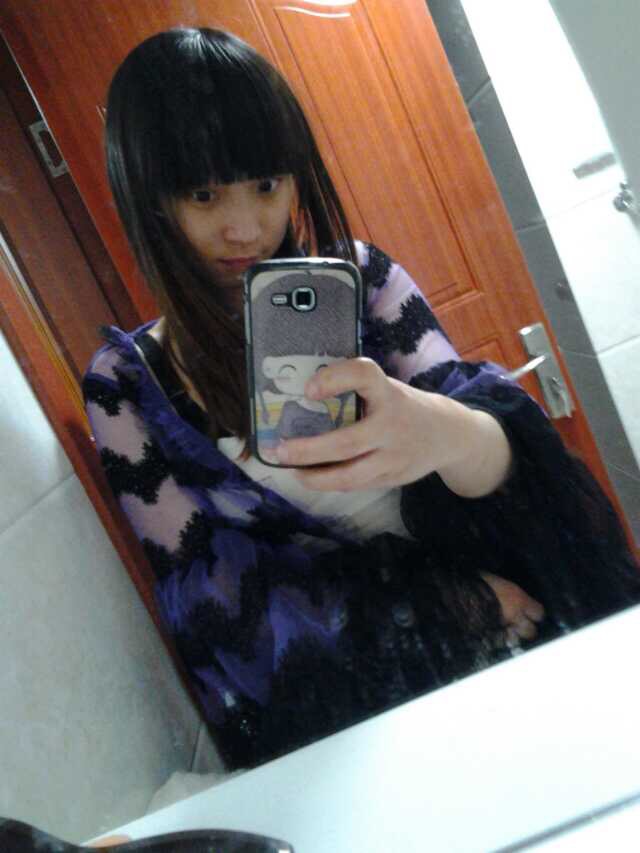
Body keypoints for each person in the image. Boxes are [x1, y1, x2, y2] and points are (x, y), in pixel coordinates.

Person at [83, 27, 640, 771]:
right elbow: (224, 610)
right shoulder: (128, 384)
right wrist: (456, 604)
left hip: (531, 639)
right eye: (204, 194)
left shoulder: (364, 281)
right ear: (146, 197)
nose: (246, 226)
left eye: (267, 184)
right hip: (371, 719)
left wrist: (441, 431)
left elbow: (517, 471)